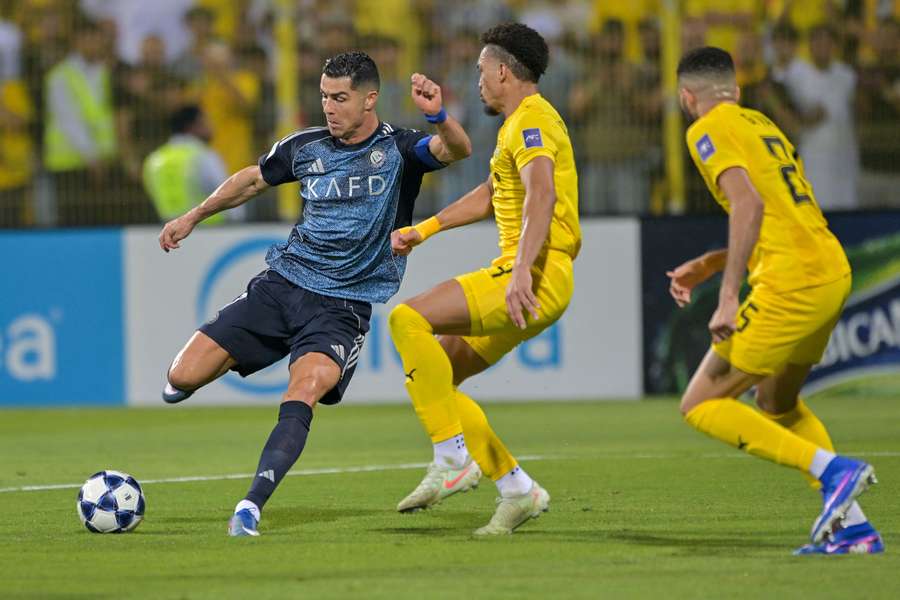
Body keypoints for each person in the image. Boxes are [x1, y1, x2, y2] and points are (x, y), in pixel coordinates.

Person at [157, 51, 471, 537]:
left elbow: (456, 150)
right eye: (324, 96)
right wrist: (192, 216)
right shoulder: (305, 146)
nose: (328, 107)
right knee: (181, 377)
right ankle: (245, 354)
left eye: (340, 98)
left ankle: (250, 506)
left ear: (370, 99)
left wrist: (438, 115)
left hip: (342, 306)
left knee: (304, 389)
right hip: (281, 287)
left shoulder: (400, 149)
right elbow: (252, 180)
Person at [669, 46, 882, 555]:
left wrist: (727, 297)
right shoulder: (761, 124)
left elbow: (749, 204)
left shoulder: (705, 129)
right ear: (737, 91)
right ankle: (853, 529)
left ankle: (834, 471)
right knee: (776, 402)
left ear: (686, 97)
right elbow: (781, 215)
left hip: (791, 284)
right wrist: (714, 261)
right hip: (830, 272)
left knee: (701, 403)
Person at [388, 23, 580, 536]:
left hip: (533, 271)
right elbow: (491, 194)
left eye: (480, 70)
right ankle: (517, 490)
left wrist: (521, 272)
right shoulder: (519, 124)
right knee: (438, 379)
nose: (476, 81)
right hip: (535, 274)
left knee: (407, 320)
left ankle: (453, 459)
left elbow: (542, 193)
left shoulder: (533, 120)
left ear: (501, 71)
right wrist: (424, 230)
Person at [143, 104, 230, 224]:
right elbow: (229, 193)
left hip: (171, 230)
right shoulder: (204, 156)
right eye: (207, 120)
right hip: (213, 229)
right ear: (195, 125)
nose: (211, 125)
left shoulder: (153, 160)